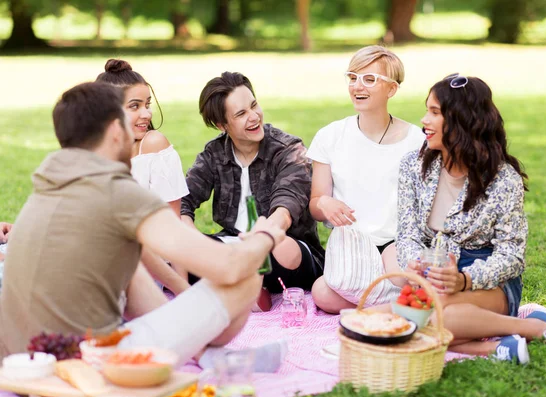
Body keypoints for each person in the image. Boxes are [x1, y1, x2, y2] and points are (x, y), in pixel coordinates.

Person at [0, 82, 287, 369]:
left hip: (22, 363)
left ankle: (203, 355)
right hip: (89, 365)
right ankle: (206, 353)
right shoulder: (116, 192)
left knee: (130, 262)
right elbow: (229, 267)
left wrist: (183, 297)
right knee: (247, 274)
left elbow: (138, 262)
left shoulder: (48, 187)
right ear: (115, 130)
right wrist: (263, 238)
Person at [394, 73, 546, 364]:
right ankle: (496, 347)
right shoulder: (413, 166)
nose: (424, 120)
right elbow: (407, 232)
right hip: (433, 275)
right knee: (406, 318)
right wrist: (414, 263)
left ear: (462, 121)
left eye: (435, 113)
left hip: (487, 280)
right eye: (427, 110)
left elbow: (512, 256)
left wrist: (464, 280)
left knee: (421, 318)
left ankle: (533, 326)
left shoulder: (503, 180)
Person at [180, 72, 325, 308]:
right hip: (233, 247)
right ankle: (249, 289)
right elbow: (183, 199)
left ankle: (234, 287)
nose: (254, 116)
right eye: (241, 114)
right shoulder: (214, 154)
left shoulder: (289, 149)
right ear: (222, 125)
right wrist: (190, 240)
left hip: (283, 246)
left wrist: (260, 242)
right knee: (167, 252)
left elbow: (286, 208)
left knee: (282, 249)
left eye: (254, 105)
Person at [307, 45, 423, 313]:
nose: (358, 86)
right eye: (353, 77)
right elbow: (315, 203)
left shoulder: (416, 140)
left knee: (402, 275)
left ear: (391, 89)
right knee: (322, 294)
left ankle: (377, 303)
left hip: (395, 241)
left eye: (370, 79)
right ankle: (398, 304)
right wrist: (325, 203)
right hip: (352, 243)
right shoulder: (330, 136)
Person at [96, 59, 190, 295]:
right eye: (135, 106)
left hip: (138, 264)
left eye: (147, 104)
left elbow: (172, 225)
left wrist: (184, 293)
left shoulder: (153, 146)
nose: (146, 113)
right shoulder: (98, 150)